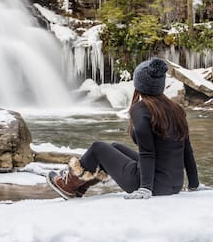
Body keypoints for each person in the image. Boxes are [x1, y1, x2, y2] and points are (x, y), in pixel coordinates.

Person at [47, 57, 200, 199]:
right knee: (114, 147)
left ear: (139, 84)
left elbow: (148, 153)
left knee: (98, 148)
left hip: (152, 185)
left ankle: (68, 185)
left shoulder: (141, 109)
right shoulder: (175, 109)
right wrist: (194, 184)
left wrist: (145, 188)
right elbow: (187, 150)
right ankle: (80, 187)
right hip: (173, 184)